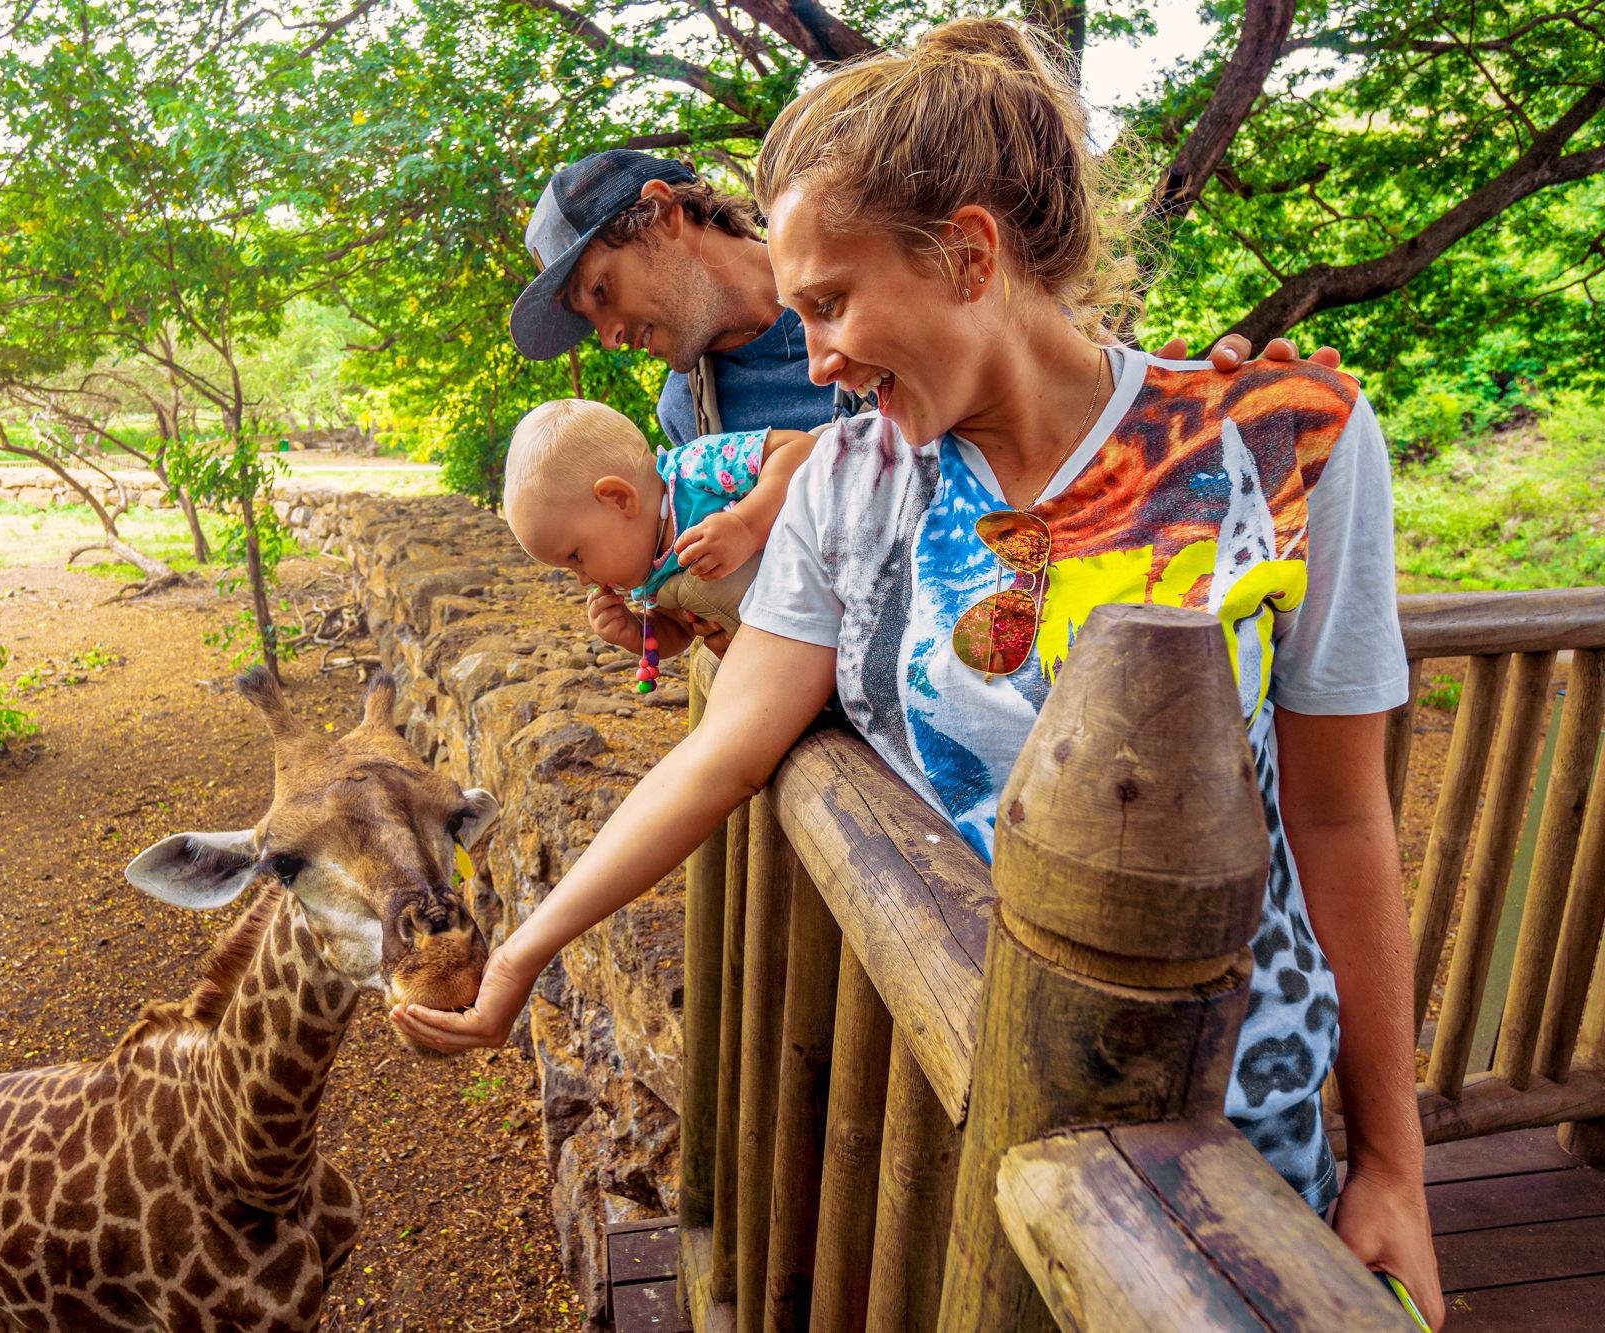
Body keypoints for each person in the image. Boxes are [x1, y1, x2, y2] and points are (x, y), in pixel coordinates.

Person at [418, 17, 1442, 1323]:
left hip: (1231, 1123)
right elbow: (725, 748)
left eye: (833, 304)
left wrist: (1396, 1164)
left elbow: (1343, 813)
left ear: (968, 253)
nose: (823, 359)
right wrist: (526, 951)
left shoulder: (1286, 446)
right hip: (958, 1094)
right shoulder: (852, 483)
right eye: (800, 315)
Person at [507, 151, 1339, 444]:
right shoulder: (691, 419)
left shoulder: (899, 275)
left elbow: (1067, 397)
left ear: (663, 212)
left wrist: (1213, 409)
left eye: (603, 292)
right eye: (591, 322)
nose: (610, 334)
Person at [503, 399, 816, 660]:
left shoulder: (696, 468)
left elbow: (802, 449)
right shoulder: (649, 573)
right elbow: (678, 633)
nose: (584, 579)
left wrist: (747, 524)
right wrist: (637, 631)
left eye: (575, 556)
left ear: (619, 500)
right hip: (795, 648)